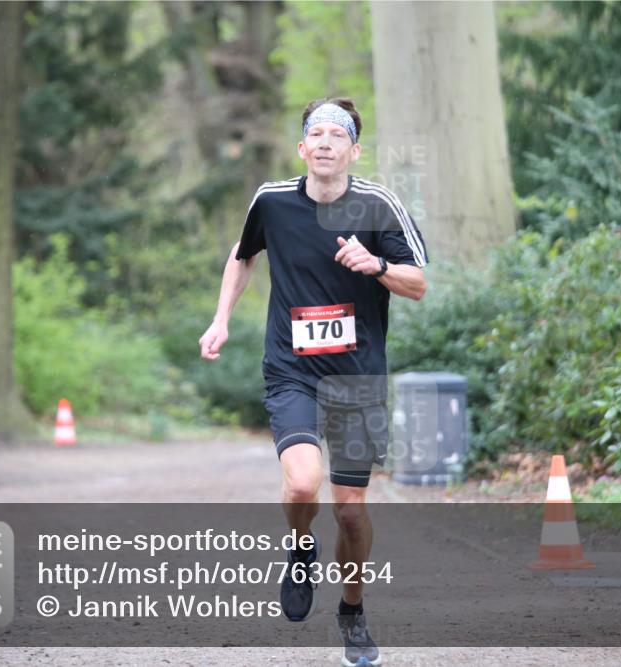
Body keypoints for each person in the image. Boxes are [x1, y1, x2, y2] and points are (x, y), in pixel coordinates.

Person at [199, 97, 428, 667]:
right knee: (303, 484)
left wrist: (376, 265)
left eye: (337, 134)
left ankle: (352, 611)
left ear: (354, 150)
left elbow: (418, 283)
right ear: (302, 148)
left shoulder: (378, 206)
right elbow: (242, 255)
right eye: (316, 134)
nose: (326, 142)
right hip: (292, 369)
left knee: (350, 512)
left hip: (357, 377)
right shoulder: (272, 201)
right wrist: (221, 318)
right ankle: (301, 549)